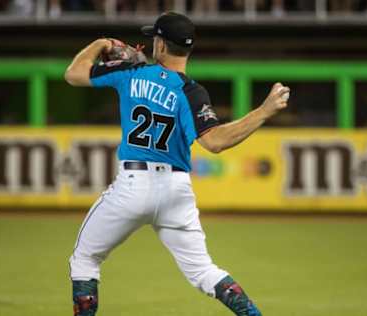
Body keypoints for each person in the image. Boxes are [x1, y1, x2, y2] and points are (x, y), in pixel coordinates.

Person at [65, 11, 289, 316]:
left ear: (160, 45)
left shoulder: (130, 72)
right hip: (176, 190)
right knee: (203, 272)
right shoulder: (191, 92)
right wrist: (262, 112)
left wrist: (101, 43)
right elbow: (215, 142)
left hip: (133, 185)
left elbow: (74, 73)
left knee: (85, 259)